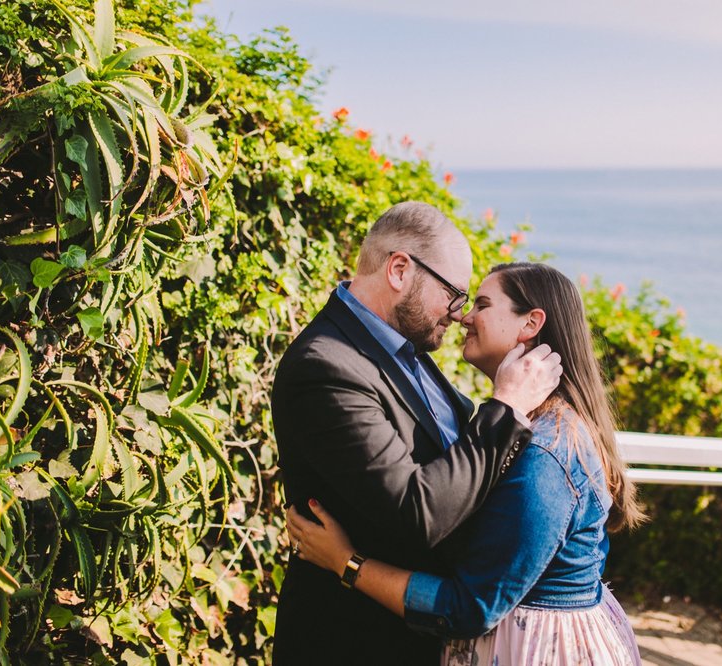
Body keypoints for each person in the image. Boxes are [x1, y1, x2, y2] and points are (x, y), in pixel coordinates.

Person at [289, 262, 645, 665]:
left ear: (530, 323)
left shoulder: (547, 452)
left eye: (481, 304)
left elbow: (470, 607)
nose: (464, 316)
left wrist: (346, 562)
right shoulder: (534, 426)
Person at [270, 203, 563, 665]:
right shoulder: (325, 366)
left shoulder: (401, 343)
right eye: (453, 294)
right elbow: (417, 513)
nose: (458, 314)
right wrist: (505, 408)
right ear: (400, 270)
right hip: (354, 641)